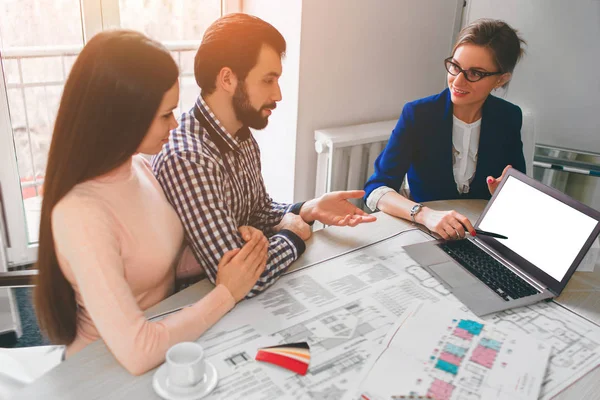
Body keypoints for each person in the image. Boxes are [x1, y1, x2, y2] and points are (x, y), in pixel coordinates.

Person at [33, 30, 269, 376]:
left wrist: (237, 249)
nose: (175, 125)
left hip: (168, 335)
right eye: (165, 114)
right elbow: (139, 350)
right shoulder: (81, 213)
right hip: (106, 367)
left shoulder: (138, 166)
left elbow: (155, 257)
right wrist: (226, 292)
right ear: (122, 119)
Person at [152, 13, 376, 297]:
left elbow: (257, 210)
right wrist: (294, 235)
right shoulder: (189, 158)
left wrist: (307, 209)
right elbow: (241, 277)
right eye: (268, 80)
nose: (278, 94)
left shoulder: (239, 134)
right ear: (227, 78)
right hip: (199, 306)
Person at [364, 18, 526, 240]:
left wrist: (504, 192)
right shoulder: (418, 114)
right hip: (424, 232)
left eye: (475, 73)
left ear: (500, 79)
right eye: (455, 67)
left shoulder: (509, 117)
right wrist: (423, 215)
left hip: (481, 236)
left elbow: (519, 191)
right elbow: (376, 190)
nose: (458, 81)